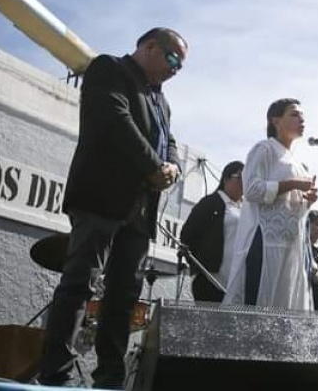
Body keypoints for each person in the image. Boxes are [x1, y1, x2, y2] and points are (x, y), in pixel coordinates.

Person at [38, 27, 187, 389]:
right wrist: (154, 167)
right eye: (173, 59)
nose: (176, 69)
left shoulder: (161, 100)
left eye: (181, 66)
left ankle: (109, 378)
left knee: (123, 297)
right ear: (150, 47)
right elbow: (115, 122)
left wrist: (172, 167)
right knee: (80, 283)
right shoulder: (109, 69)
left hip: (140, 211)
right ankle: (55, 375)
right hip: (101, 197)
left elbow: (170, 143)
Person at [223, 98, 318, 309]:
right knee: (258, 304)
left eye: (302, 115)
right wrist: (292, 183)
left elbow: (293, 204)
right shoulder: (264, 149)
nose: (301, 119)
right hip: (265, 240)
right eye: (294, 114)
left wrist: (308, 200)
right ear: (275, 120)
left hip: (291, 245)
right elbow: (252, 190)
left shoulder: (297, 162)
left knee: (284, 309)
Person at [179, 160, 244, 302]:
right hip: (211, 279)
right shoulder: (210, 203)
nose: (243, 183)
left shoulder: (246, 209)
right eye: (239, 178)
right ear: (226, 178)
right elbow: (187, 235)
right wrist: (200, 266)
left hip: (237, 282)